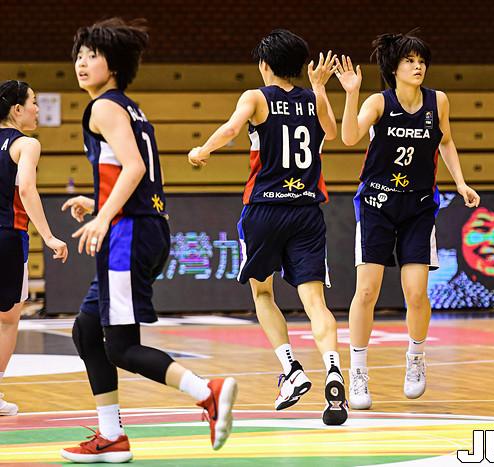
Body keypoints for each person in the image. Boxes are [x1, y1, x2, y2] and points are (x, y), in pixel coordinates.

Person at [60, 19, 236, 464]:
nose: (82, 62)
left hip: (128, 233)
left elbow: (134, 168)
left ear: (115, 65)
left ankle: (207, 392)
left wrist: (104, 216)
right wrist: (98, 202)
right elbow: (135, 172)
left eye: (93, 55)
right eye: (79, 54)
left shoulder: (104, 108)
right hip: (146, 227)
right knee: (86, 330)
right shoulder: (130, 108)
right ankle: (111, 436)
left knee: (120, 347)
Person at [187, 29, 347, 425]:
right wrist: (320, 88)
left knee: (262, 293)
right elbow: (332, 133)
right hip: (307, 211)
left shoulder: (256, 97)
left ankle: (291, 370)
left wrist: (202, 150)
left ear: (264, 64)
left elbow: (230, 129)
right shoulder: (312, 98)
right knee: (316, 302)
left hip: (264, 209)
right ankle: (333, 369)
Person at [335, 30, 480, 410]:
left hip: (418, 206)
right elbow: (349, 137)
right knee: (367, 291)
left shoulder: (438, 101)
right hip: (377, 204)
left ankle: (416, 358)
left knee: (416, 293)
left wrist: (460, 182)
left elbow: (445, 141)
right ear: (394, 68)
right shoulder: (378, 103)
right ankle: (358, 371)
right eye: (409, 61)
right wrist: (351, 94)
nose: (418, 67)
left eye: (421, 61)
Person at [0, 80, 68, 416]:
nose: (37, 110)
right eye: (34, 102)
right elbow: (26, 189)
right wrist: (50, 236)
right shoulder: (26, 144)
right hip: (8, 236)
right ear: (17, 109)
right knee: (7, 320)